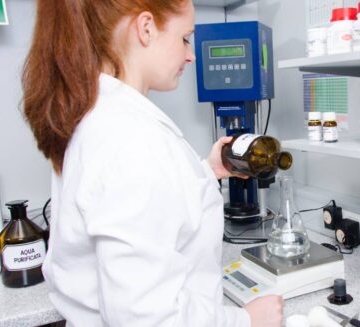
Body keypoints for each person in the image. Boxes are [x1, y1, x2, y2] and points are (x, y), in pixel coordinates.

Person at [21, 0, 283, 326]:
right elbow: (145, 317)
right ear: (145, 29)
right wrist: (245, 320)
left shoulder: (95, 118)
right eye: (184, 38)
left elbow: (140, 206)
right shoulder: (130, 138)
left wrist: (206, 172)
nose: (191, 54)